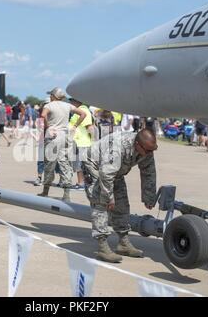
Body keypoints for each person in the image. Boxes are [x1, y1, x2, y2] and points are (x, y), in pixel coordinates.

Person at [82, 129, 158, 263]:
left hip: (114, 172)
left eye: (153, 150)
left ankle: (123, 243)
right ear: (138, 145)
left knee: (122, 203)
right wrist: (109, 197)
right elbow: (105, 174)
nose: (150, 154)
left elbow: (149, 172)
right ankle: (102, 247)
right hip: (95, 167)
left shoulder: (146, 150)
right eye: (147, 150)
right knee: (101, 204)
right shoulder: (118, 146)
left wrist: (149, 197)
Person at [38, 87, 86, 202]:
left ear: (54, 96)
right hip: (65, 136)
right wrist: (74, 126)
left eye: (51, 95)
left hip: (53, 136)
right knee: (65, 164)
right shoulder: (67, 105)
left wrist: (47, 126)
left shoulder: (48, 105)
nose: (50, 96)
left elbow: (43, 116)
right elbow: (82, 114)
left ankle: (45, 191)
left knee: (49, 163)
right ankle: (66, 194)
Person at [69, 98, 94, 191]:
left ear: (77, 102)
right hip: (78, 141)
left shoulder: (84, 110)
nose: (70, 103)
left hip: (83, 142)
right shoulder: (79, 110)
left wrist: (93, 141)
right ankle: (81, 183)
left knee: (80, 164)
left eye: (72, 101)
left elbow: (89, 126)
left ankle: (81, 184)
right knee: (78, 164)